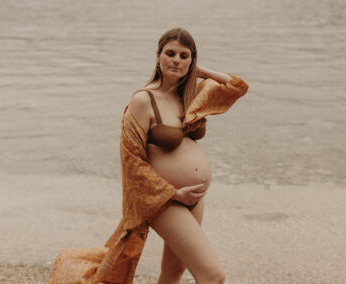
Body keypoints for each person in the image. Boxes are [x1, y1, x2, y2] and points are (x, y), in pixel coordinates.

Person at [49, 27, 248, 284]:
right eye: (171, 53)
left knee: (173, 273)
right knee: (213, 275)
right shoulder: (143, 100)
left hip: (195, 199)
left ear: (192, 60)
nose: (177, 60)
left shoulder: (190, 96)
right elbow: (131, 161)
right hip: (165, 200)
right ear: (158, 56)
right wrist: (173, 194)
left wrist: (202, 71)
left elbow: (237, 87)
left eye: (184, 56)